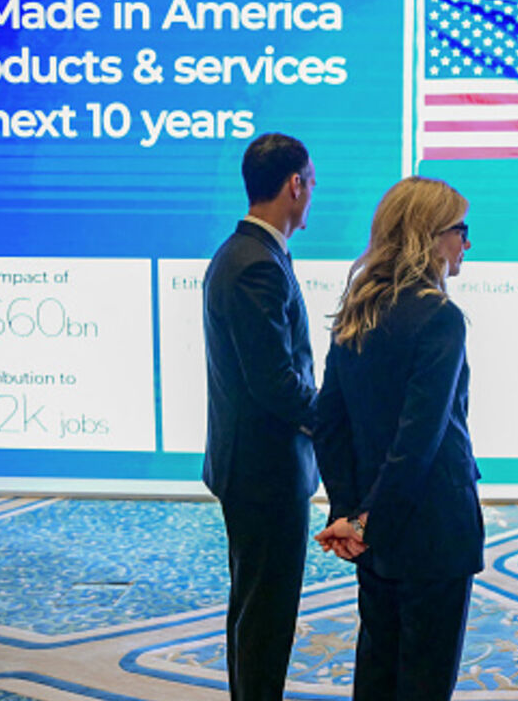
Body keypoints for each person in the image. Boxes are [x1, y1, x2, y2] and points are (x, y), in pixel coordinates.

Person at [313, 176, 483, 701]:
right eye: (460, 230)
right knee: (424, 684)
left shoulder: (357, 310)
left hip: (375, 537)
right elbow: (419, 444)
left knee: (378, 673)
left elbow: (329, 423)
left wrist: (350, 515)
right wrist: (364, 522)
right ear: (429, 236)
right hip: (431, 535)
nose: (466, 243)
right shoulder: (440, 318)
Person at [202, 132, 320, 701]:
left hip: (252, 467)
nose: (312, 195)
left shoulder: (244, 252)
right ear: (294, 184)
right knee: (266, 617)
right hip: (265, 473)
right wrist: (337, 422)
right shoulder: (257, 265)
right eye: (311, 183)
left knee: (253, 609)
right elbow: (276, 383)